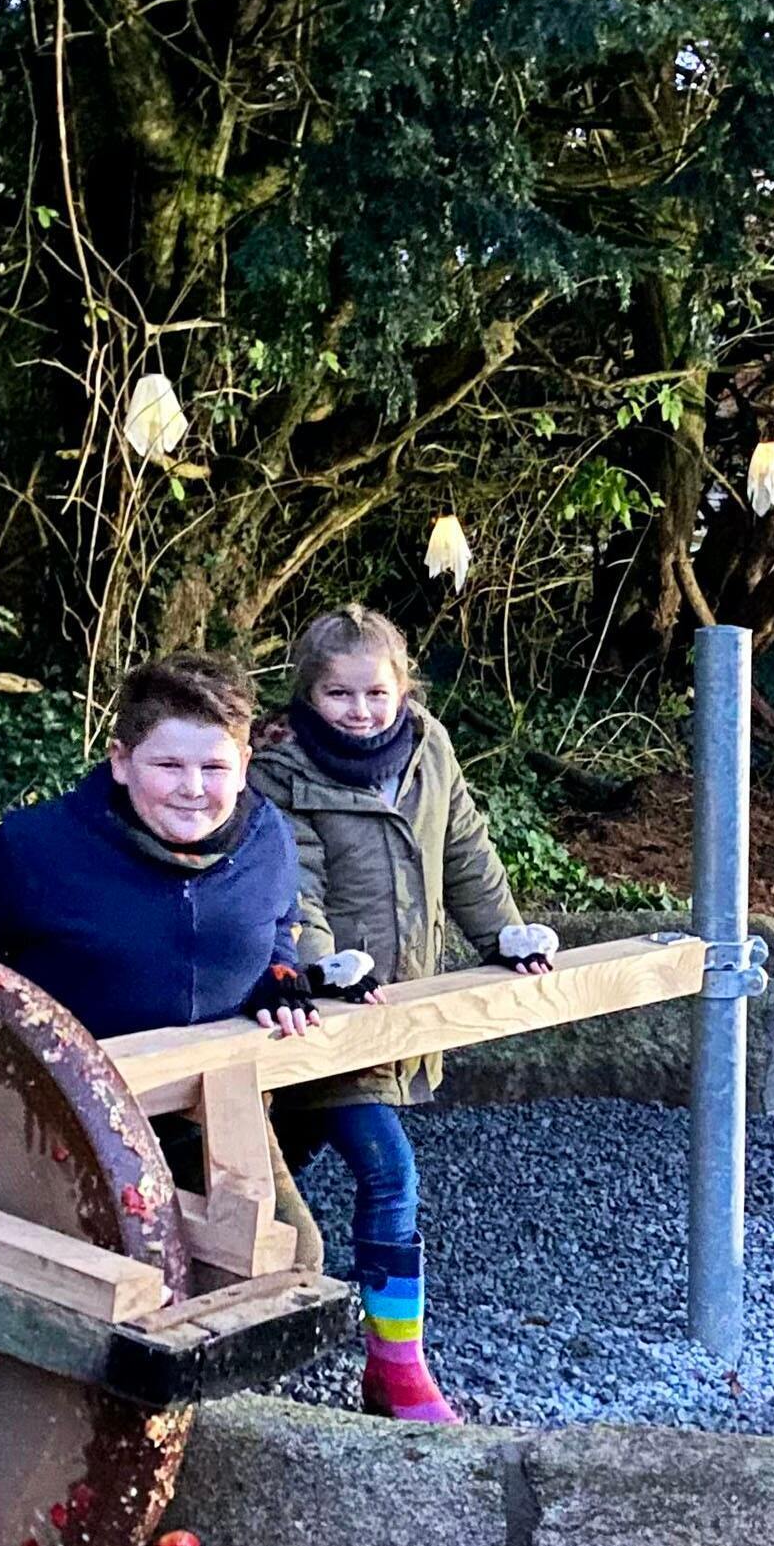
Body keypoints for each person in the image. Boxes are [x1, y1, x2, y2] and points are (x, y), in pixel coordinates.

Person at [0, 655, 341, 1256]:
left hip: (212, 1106)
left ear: (245, 766)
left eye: (214, 767)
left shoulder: (266, 837)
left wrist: (279, 973)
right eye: (168, 765)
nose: (193, 788)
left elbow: (278, 918)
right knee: (117, 1275)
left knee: (294, 1256)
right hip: (67, 1112)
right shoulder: (37, 847)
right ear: (120, 760)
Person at [246, 607, 556, 1424]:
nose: (360, 710)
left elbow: (466, 850)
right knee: (389, 1172)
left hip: (399, 1006)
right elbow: (292, 885)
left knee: (276, 1160)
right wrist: (320, 964)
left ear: (403, 689)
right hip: (320, 1012)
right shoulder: (280, 773)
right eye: (338, 694)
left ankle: (237, 1275)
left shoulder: (428, 747)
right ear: (308, 695)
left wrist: (503, 935)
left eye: (375, 692)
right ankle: (396, 1369)